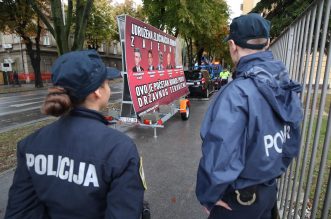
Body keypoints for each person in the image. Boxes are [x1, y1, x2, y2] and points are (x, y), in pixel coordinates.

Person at [5, 50, 145, 219]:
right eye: (107, 82)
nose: (109, 86)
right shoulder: (120, 149)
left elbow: (20, 212)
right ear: (97, 91)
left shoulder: (30, 144)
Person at [196, 13, 303, 219]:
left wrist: (208, 195)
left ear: (233, 46)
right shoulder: (284, 84)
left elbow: (219, 153)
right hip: (268, 194)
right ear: (268, 43)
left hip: (238, 204)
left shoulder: (236, 93)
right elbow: (291, 142)